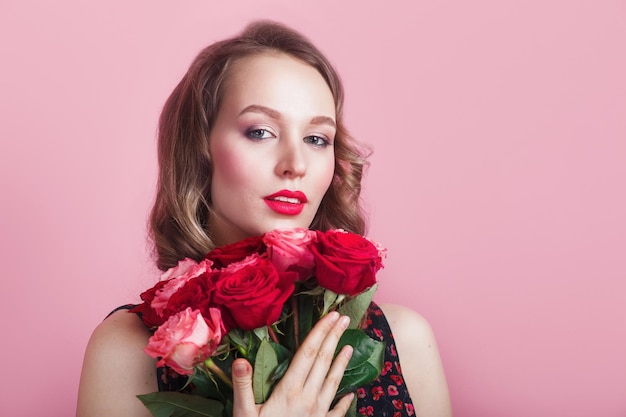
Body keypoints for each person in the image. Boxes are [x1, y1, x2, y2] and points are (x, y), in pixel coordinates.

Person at [77, 20, 452, 417]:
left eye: (316, 139)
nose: (295, 164)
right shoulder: (127, 351)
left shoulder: (405, 341)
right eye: (260, 131)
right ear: (198, 148)